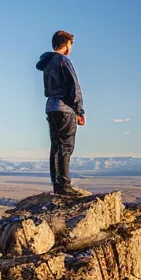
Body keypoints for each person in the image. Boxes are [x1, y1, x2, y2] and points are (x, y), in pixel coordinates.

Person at [36, 30, 88, 196]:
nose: (71, 49)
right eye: (71, 45)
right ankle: (65, 185)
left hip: (51, 106)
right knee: (66, 146)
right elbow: (74, 86)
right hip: (65, 108)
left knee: (56, 146)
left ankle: (57, 185)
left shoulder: (47, 63)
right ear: (66, 45)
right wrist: (79, 110)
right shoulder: (63, 60)